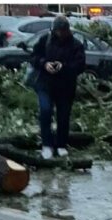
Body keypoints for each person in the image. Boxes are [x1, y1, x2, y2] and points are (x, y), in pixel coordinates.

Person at [30, 16, 86, 160]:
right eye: (58, 31)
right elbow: (33, 57)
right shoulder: (45, 40)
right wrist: (44, 64)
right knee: (45, 111)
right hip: (45, 84)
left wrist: (63, 67)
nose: (60, 34)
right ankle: (47, 145)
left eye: (63, 31)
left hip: (66, 86)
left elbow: (80, 65)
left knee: (63, 116)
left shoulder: (76, 45)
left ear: (67, 30)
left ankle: (61, 145)